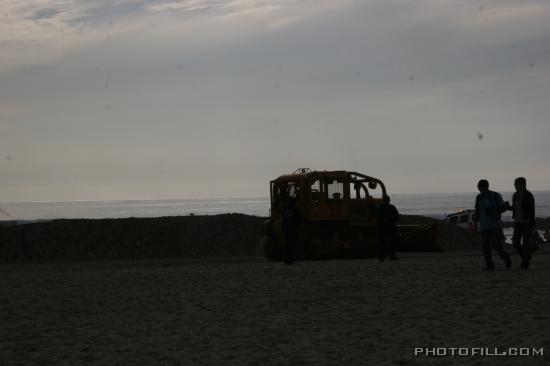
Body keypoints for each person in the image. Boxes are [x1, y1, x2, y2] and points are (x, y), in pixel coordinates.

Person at [474, 179, 511, 270]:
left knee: (496, 245)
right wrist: (476, 220)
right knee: (485, 247)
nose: (480, 191)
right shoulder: (479, 197)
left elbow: (503, 208)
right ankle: (490, 266)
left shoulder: (495, 195)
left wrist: (494, 211)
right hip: (484, 226)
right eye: (479, 189)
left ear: (486, 187)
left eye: (481, 189)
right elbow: (477, 210)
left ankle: (507, 259)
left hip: (495, 225)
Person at [507, 177, 536, 269]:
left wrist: (532, 224)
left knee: (525, 243)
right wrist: (508, 207)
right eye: (515, 184)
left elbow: (532, 210)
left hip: (526, 222)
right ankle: (526, 257)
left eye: (517, 184)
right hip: (517, 222)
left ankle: (525, 263)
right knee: (515, 243)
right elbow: (515, 208)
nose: (515, 186)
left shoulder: (528, 195)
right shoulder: (515, 195)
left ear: (522, 184)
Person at [376, 195, 399, 261]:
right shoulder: (392, 207)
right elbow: (396, 216)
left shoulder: (379, 208)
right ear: (389, 200)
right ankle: (392, 255)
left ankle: (381, 257)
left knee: (382, 242)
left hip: (382, 227)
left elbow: (377, 217)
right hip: (391, 226)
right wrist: (393, 222)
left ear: (383, 200)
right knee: (393, 241)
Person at [281, 198, 302, 265]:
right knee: (292, 245)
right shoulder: (295, 210)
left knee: (286, 245)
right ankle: (291, 260)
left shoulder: (286, 211)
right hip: (292, 230)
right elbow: (299, 219)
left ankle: (286, 260)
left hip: (286, 230)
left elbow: (283, 221)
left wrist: (283, 230)